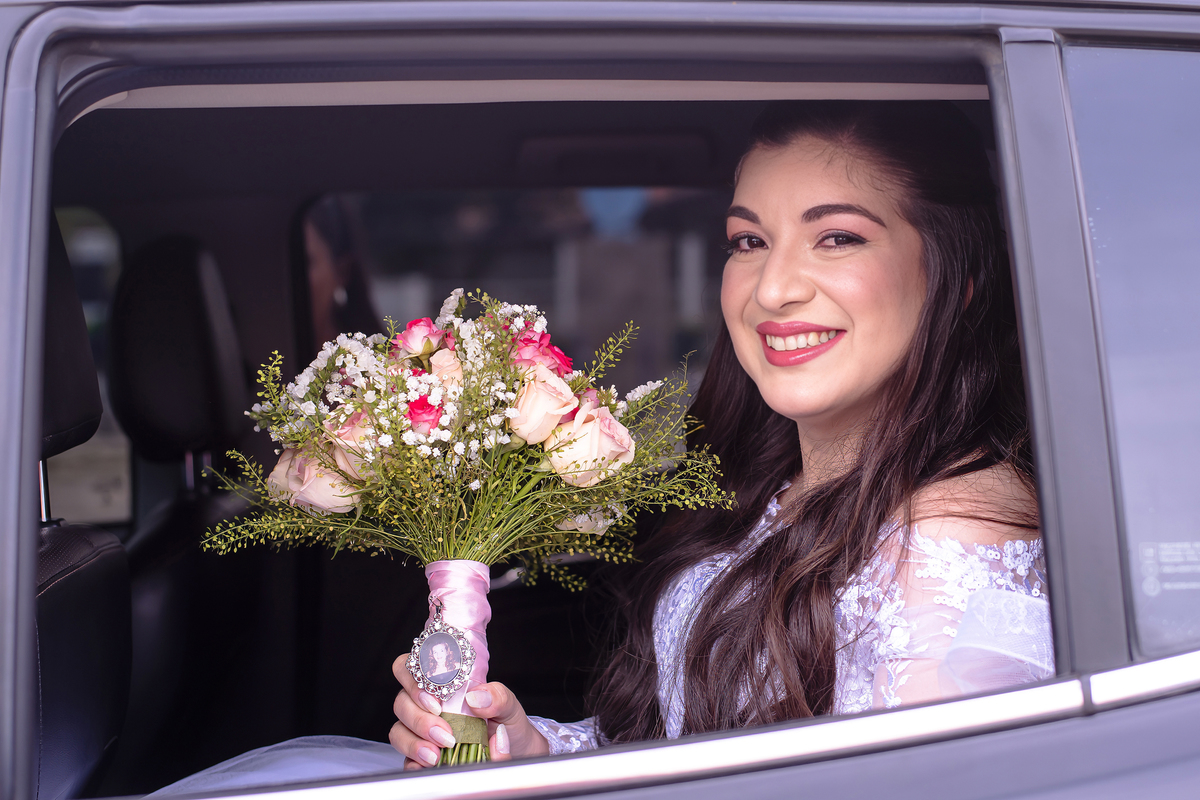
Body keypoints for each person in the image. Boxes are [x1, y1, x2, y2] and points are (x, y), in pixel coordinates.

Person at [388, 100, 1052, 767]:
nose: (772, 289)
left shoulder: (951, 535)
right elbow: (689, 748)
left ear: (954, 277)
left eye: (838, 237)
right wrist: (530, 749)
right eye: (749, 242)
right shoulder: (769, 484)